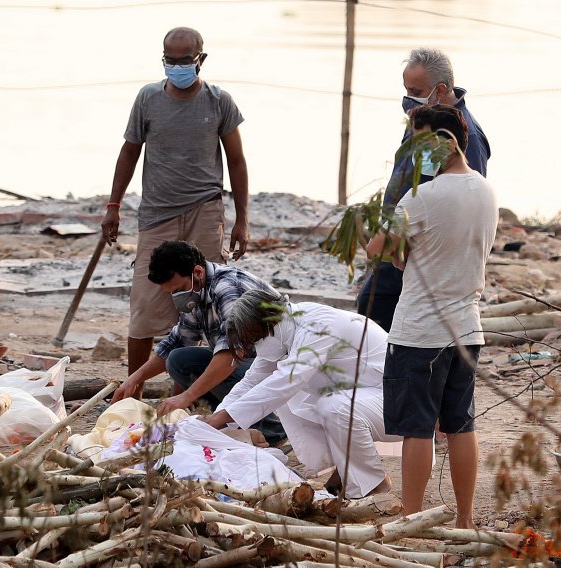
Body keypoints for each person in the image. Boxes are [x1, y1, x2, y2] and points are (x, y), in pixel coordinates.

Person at [365, 104, 498, 527]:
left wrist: (401, 252)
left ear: (442, 142)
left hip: (419, 329)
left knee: (417, 429)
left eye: (418, 141)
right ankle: (464, 518)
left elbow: (377, 248)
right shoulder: (485, 190)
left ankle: (411, 516)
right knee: (461, 424)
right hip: (466, 326)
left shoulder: (423, 196)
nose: (412, 151)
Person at [100, 26, 250, 379]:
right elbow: (129, 152)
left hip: (205, 210)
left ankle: (190, 392)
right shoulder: (148, 99)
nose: (178, 67)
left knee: (209, 302)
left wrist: (242, 218)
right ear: (163, 59)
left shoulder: (218, 101)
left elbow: (237, 161)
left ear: (201, 60)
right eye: (171, 60)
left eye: (186, 60)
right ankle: (131, 393)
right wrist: (113, 206)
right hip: (157, 215)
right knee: (146, 306)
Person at [201, 289, 402, 499]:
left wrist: (220, 419)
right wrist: (216, 421)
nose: (256, 348)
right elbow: (251, 383)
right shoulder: (280, 334)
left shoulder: (316, 326)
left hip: (396, 402)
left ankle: (373, 484)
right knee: (286, 398)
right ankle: (345, 470)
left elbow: (286, 381)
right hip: (367, 400)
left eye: (255, 340)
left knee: (330, 405)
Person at [357, 47, 490, 332]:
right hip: (399, 240)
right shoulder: (423, 118)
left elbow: (465, 201)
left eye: (415, 90)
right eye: (406, 89)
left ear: (440, 89)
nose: (408, 97)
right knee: (372, 309)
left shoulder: (468, 137)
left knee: (376, 311)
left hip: (421, 251)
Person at [110, 241, 285, 446]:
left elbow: (230, 353)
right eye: (172, 292)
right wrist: (135, 379)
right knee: (179, 360)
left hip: (276, 363)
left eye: (179, 289)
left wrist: (186, 397)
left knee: (223, 368)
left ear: (198, 272)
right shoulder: (197, 293)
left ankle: (271, 430)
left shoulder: (227, 288)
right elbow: (174, 344)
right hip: (247, 361)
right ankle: (228, 423)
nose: (177, 296)